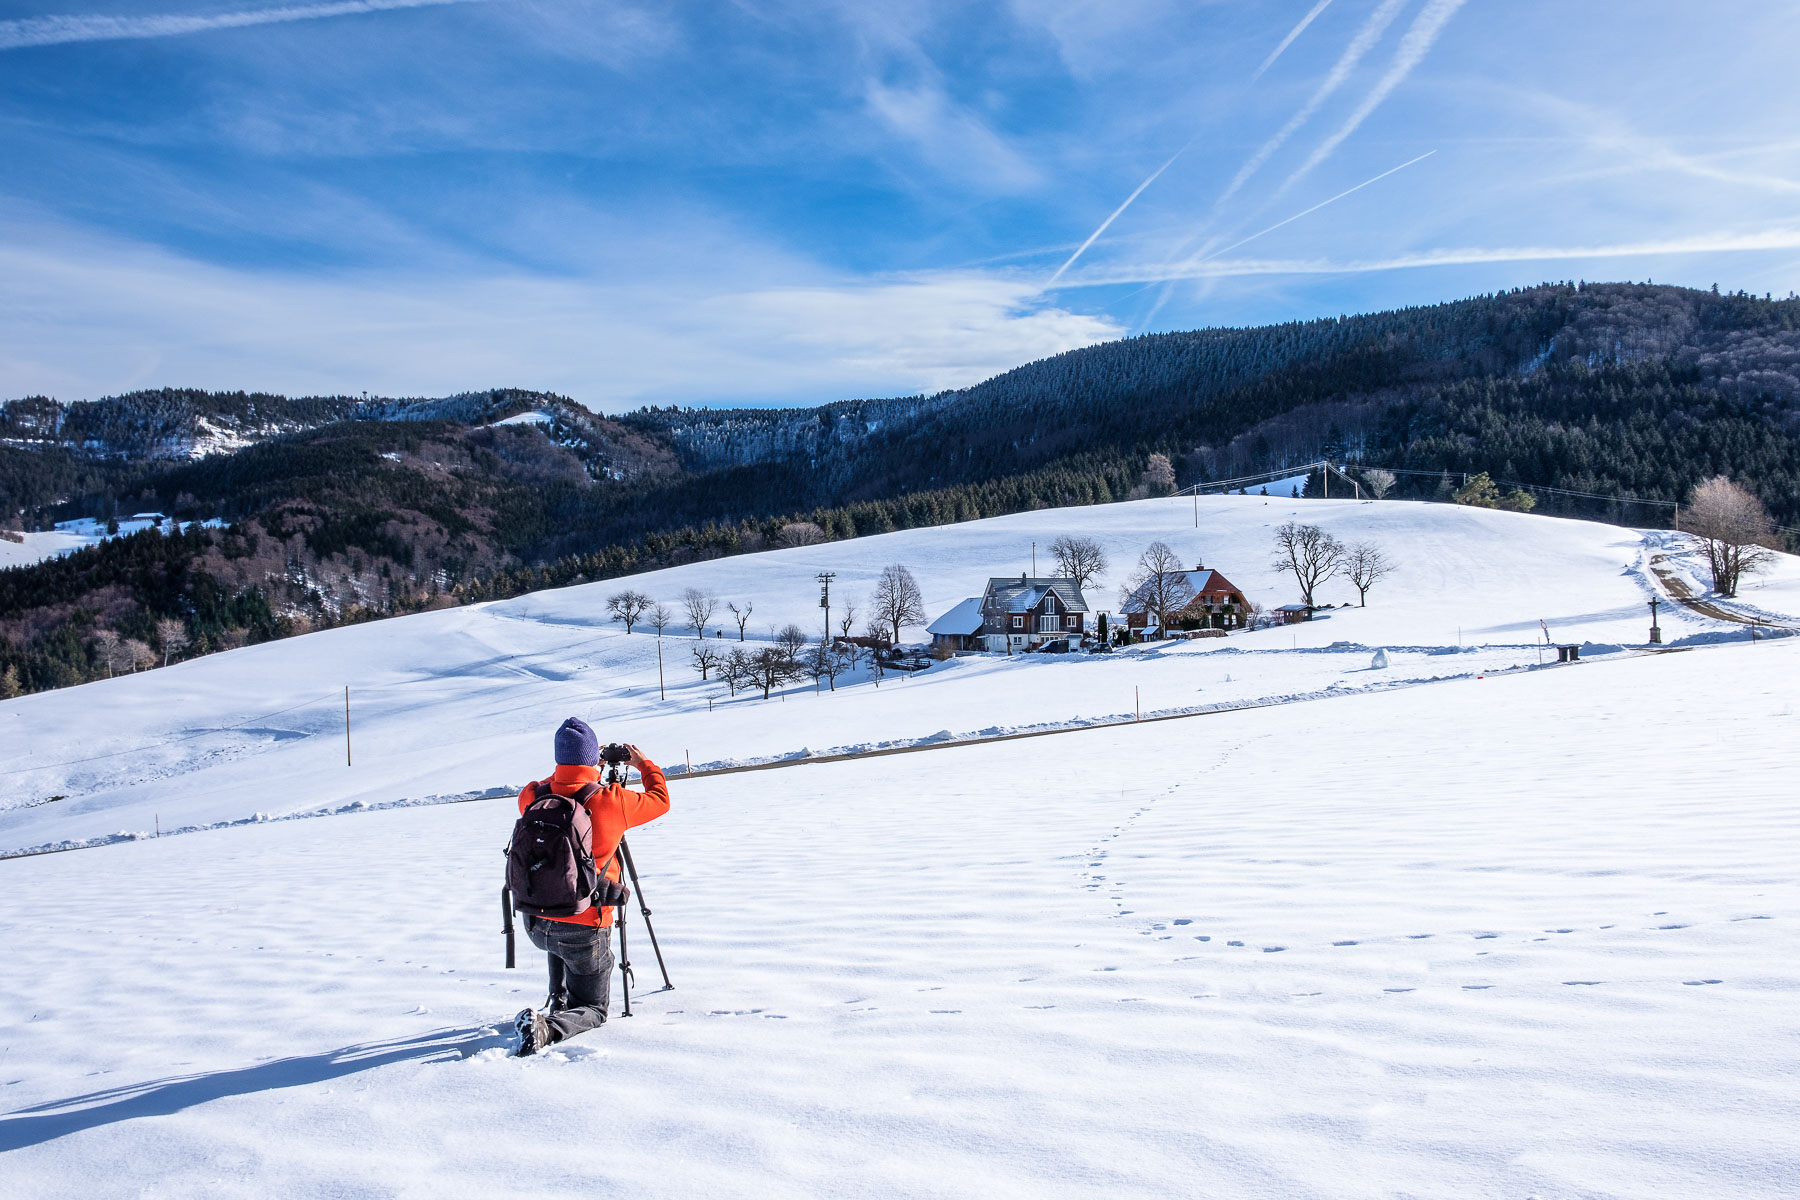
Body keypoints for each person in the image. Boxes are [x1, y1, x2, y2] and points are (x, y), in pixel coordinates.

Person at [513, 717, 669, 1056]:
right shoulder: (612, 801)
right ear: (592, 758)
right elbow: (660, 799)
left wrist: (571, 769)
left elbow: (546, 784)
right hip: (585, 928)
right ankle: (548, 1029)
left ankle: (558, 996)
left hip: (537, 924)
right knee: (594, 1009)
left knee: (559, 931)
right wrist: (643, 764)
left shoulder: (533, 795)